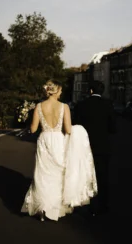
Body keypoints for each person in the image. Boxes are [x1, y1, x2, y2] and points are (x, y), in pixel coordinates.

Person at [21, 80, 97, 221]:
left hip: (44, 140)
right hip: (58, 141)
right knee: (58, 174)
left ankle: (42, 209)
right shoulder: (64, 107)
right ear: (56, 91)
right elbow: (68, 129)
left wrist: (27, 119)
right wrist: (79, 130)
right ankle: (54, 208)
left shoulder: (38, 106)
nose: (61, 93)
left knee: (42, 174)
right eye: (60, 91)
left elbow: (33, 129)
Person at [73, 80, 116, 216]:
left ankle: (88, 205)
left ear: (90, 90)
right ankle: (103, 206)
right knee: (103, 176)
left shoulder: (81, 105)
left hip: (85, 146)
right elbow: (113, 128)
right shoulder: (108, 105)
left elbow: (75, 125)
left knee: (86, 175)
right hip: (103, 146)